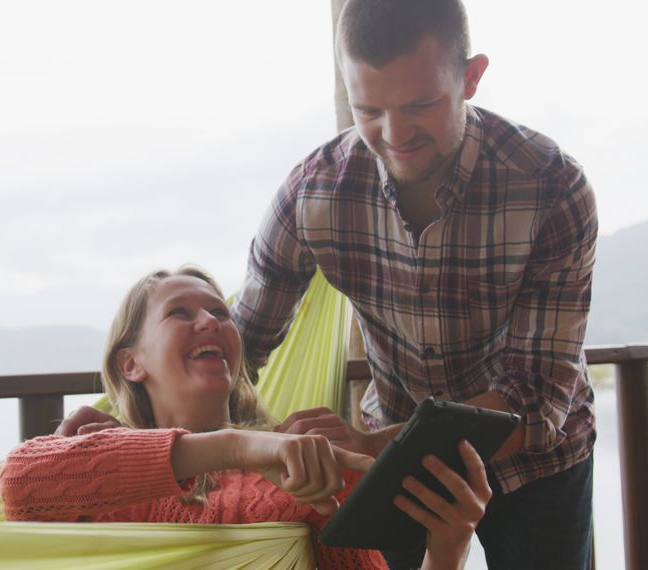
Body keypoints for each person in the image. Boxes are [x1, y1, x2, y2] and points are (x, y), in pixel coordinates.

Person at [231, 0, 598, 568]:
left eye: (421, 104)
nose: (394, 134)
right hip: (394, 462)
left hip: (535, 464)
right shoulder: (313, 194)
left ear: (471, 77)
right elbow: (239, 346)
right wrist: (130, 426)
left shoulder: (551, 185)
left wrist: (374, 445)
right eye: (368, 109)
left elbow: (536, 398)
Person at [1, 267, 492, 570]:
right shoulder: (103, 464)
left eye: (220, 311)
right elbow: (19, 485)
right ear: (130, 363)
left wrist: (447, 553)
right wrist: (237, 447)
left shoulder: (304, 471)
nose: (212, 320)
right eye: (179, 313)